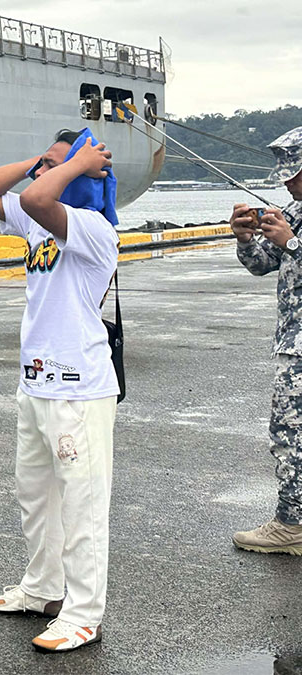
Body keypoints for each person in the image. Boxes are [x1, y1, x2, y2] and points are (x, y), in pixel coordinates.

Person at [0, 127, 119, 653]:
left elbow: (35, 196)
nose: (42, 174)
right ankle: (42, 587)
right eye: (45, 166)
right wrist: (45, 158)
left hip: (79, 388)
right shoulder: (37, 222)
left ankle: (82, 613)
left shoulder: (93, 228)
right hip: (36, 382)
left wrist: (74, 164)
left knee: (82, 504)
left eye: (57, 166)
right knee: (35, 495)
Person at [229, 125, 302, 555]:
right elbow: (262, 264)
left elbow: (290, 251)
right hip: (293, 342)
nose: (289, 182)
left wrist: (293, 244)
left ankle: (292, 524)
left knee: (292, 433)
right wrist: (245, 238)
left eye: (296, 173)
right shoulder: (296, 210)